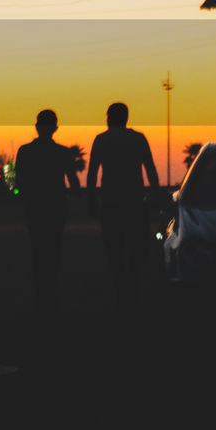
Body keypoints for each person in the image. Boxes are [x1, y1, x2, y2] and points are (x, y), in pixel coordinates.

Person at [86, 102, 159, 318]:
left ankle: (122, 289)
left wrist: (91, 199)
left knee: (114, 249)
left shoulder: (101, 140)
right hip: (135, 202)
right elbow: (151, 168)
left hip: (110, 203)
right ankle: (131, 285)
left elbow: (91, 173)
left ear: (109, 118)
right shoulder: (138, 139)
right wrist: (154, 193)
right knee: (138, 248)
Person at [14, 109, 81, 316]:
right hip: (56, 206)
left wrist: (21, 195)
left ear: (36, 128)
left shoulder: (25, 151)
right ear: (55, 128)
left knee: (38, 248)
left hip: (35, 206)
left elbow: (18, 181)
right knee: (53, 248)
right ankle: (49, 290)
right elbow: (74, 181)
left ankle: (41, 290)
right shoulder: (62, 152)